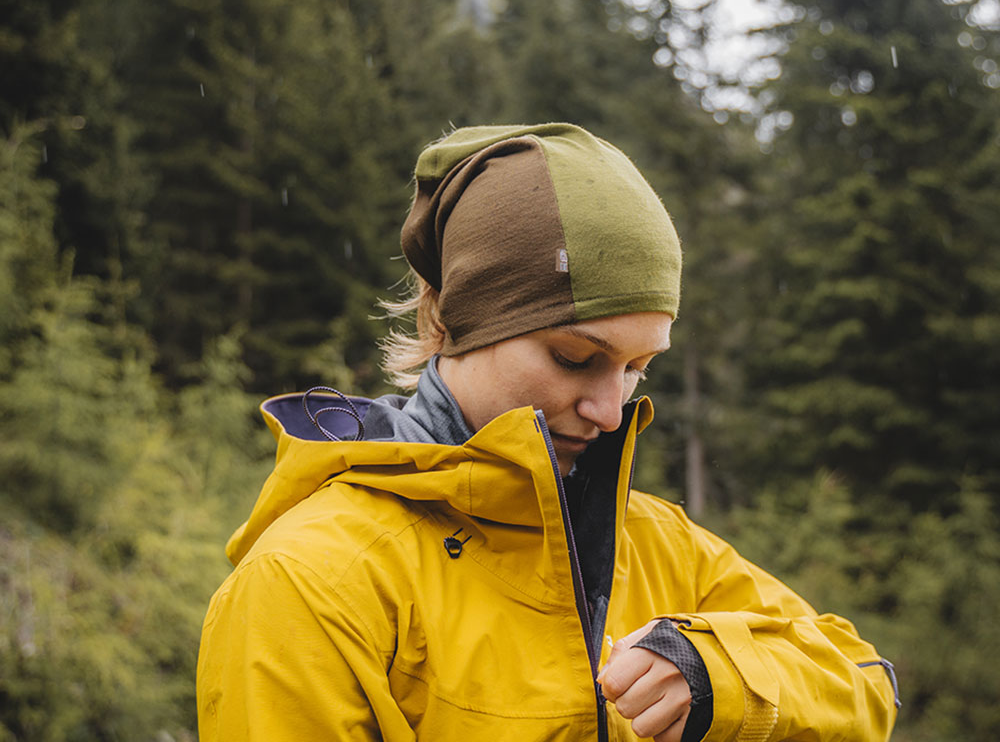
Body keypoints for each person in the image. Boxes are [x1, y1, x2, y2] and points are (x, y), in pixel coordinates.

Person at [196, 123, 900, 741]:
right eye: (575, 358)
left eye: (636, 369)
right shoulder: (312, 582)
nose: (610, 410)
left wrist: (721, 676)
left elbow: (865, 685)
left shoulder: (661, 544)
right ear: (451, 322)